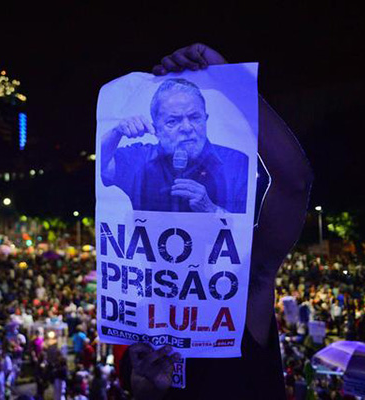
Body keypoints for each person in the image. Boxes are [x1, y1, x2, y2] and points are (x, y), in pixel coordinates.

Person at [120, 43, 313, 399]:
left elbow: (294, 183)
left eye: (194, 118)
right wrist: (146, 390)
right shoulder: (137, 328)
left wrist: (229, 80)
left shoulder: (240, 284)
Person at [100, 76, 248, 213]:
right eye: (173, 121)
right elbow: (102, 165)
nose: (187, 128)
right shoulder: (139, 159)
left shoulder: (237, 164)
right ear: (156, 129)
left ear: (205, 118)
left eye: (195, 117)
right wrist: (116, 132)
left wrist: (213, 211)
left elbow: (249, 228)